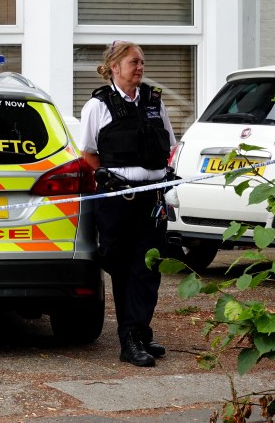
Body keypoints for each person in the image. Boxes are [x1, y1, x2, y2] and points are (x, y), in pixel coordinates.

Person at [79, 41, 176, 367]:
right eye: (134, 62)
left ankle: (136, 335)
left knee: (148, 266)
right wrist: (106, 175)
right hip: (118, 201)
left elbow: (170, 145)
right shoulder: (98, 106)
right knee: (121, 265)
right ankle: (132, 335)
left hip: (152, 199)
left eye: (142, 62)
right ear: (115, 67)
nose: (140, 67)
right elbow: (89, 153)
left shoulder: (153, 101)